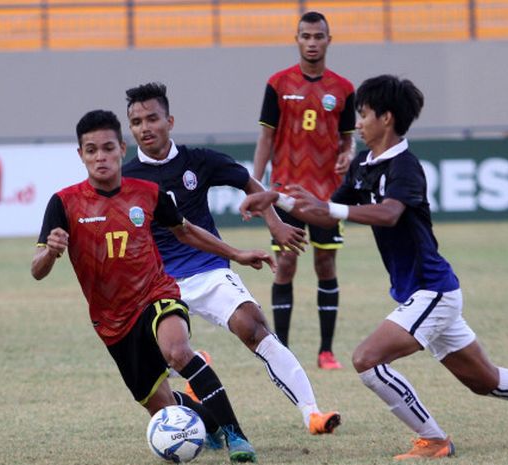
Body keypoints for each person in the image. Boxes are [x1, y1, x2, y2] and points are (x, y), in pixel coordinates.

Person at [240, 75, 508, 460]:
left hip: (432, 291)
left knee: (367, 359)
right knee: (486, 381)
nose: (359, 123)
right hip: (423, 293)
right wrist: (276, 201)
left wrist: (326, 207)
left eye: (364, 114)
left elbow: (387, 214)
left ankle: (433, 439)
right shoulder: (363, 166)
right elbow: (325, 213)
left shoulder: (406, 168)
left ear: (386, 118)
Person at [32, 109, 269, 462]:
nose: (101, 157)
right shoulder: (64, 203)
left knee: (177, 351)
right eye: (92, 150)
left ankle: (237, 437)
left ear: (121, 149)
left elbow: (186, 231)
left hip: (156, 294)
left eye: (108, 148)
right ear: (80, 154)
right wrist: (50, 253)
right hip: (111, 322)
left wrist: (236, 253)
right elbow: (37, 270)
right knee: (164, 406)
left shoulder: (148, 192)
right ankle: (212, 425)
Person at [122, 82, 341, 435]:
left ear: (170, 121)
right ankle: (194, 372)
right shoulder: (126, 177)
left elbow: (251, 184)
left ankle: (312, 413)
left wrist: (277, 226)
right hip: (158, 282)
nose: (145, 128)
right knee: (164, 356)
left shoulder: (200, 161)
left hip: (206, 269)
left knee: (253, 326)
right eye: (136, 122)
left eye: (152, 118)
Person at [252, 11, 356, 369]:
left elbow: (348, 141)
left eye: (318, 36)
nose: (312, 42)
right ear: (296, 40)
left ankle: (326, 351)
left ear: (329, 40)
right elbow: (266, 137)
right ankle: (284, 350)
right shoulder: (278, 84)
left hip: (328, 194)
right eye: (306, 36)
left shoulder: (344, 89)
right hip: (285, 192)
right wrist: (255, 183)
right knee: (286, 265)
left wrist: (347, 156)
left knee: (326, 264)